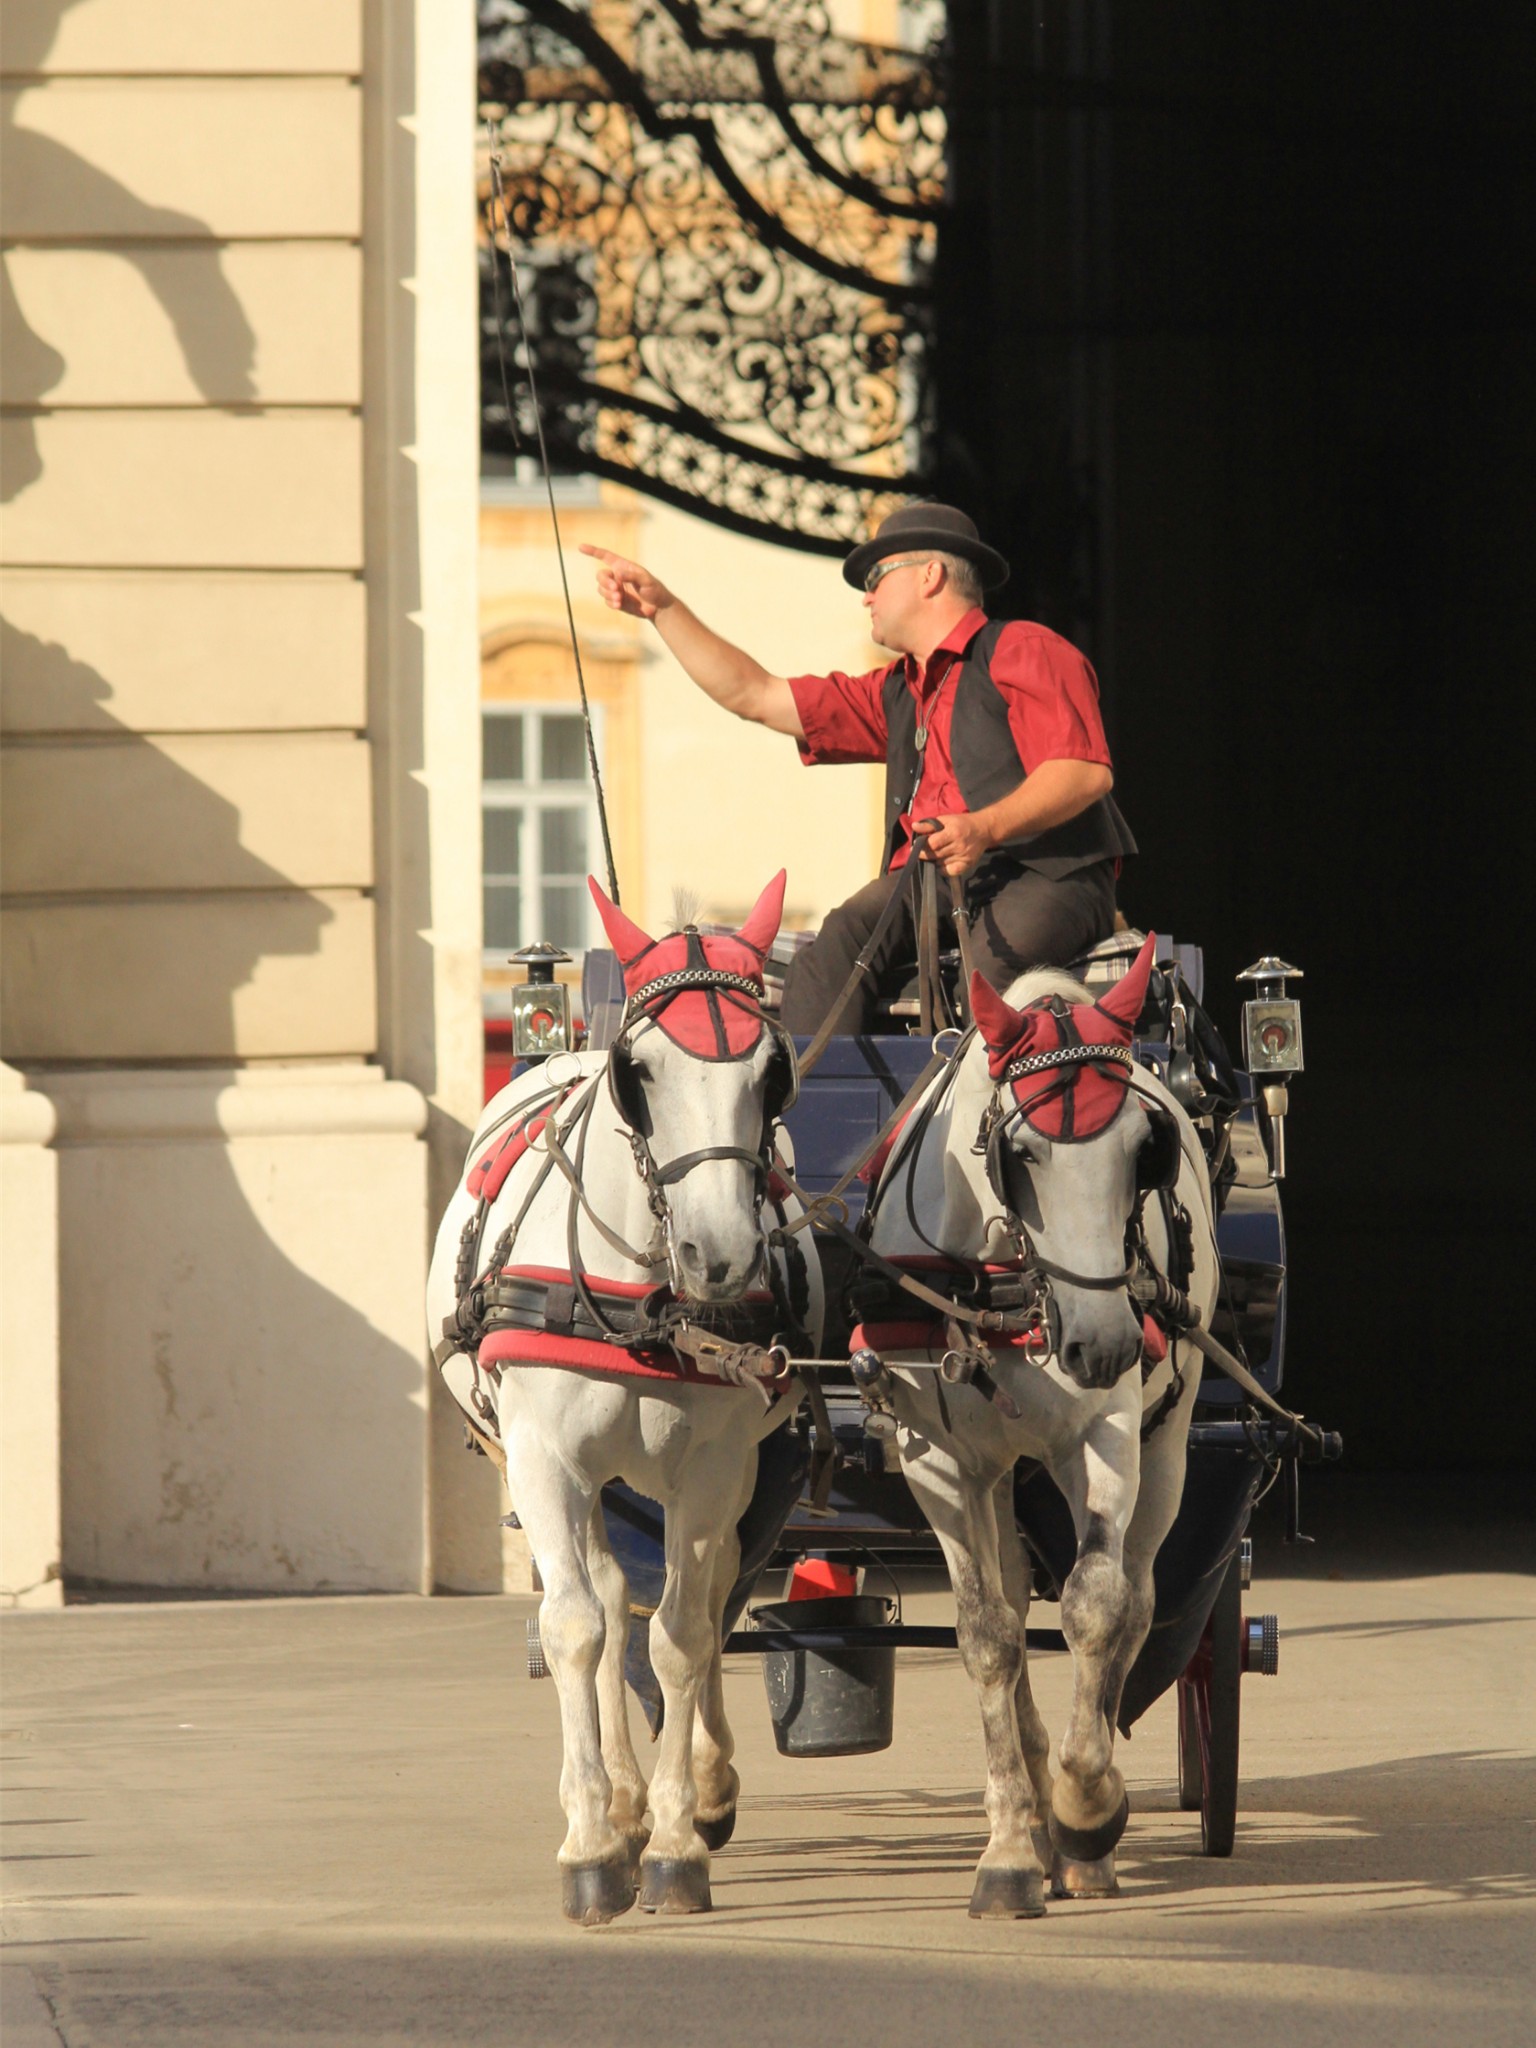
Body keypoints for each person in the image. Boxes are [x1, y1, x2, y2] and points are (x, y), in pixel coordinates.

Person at [581, 502, 1136, 1033]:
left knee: (986, 973)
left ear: (930, 576)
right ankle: (811, 1120)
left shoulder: (1023, 648)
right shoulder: (894, 691)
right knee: (832, 952)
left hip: (1049, 875)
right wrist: (663, 609)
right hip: (934, 881)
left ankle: (980, 1131)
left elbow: (1084, 772)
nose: (866, 598)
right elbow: (755, 694)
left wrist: (983, 827)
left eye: (876, 578)